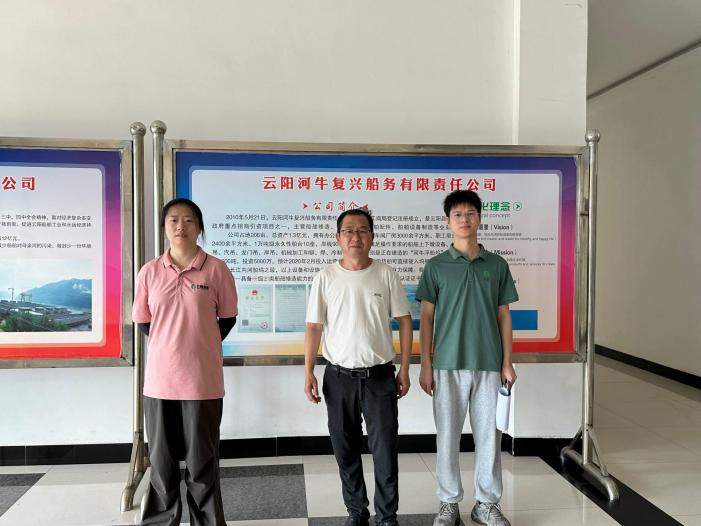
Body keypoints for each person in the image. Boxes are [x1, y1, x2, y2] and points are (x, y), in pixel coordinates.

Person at [304, 208, 413, 526]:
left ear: (372, 237)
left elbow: (405, 322)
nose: (356, 236)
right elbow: (314, 327)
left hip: (380, 377)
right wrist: (308, 371)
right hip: (338, 377)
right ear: (338, 238)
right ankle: (356, 510)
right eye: (349, 231)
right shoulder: (325, 277)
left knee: (384, 449)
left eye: (363, 230)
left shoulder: (386, 274)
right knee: (345, 448)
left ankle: (387, 515)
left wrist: (405, 369)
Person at [132, 198, 238, 526]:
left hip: (202, 382)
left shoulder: (216, 269)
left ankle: (206, 521)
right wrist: (171, 344)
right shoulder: (149, 271)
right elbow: (144, 321)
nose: (181, 226)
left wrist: (199, 343)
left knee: (202, 461)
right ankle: (161, 521)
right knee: (161, 462)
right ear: (165, 228)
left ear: (199, 227)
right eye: (174, 220)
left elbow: (227, 318)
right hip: (160, 382)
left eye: (189, 220)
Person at [416, 190, 518, 526]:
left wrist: (507, 362)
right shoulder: (436, 267)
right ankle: (449, 502)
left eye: (470, 213)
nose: (464, 219)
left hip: (489, 364)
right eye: (457, 214)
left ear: (480, 218)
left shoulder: (497, 265)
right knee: (447, 436)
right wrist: (426, 364)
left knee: (489, 436)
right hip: (446, 365)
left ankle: (486, 504)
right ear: (448, 221)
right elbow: (426, 318)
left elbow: (504, 315)